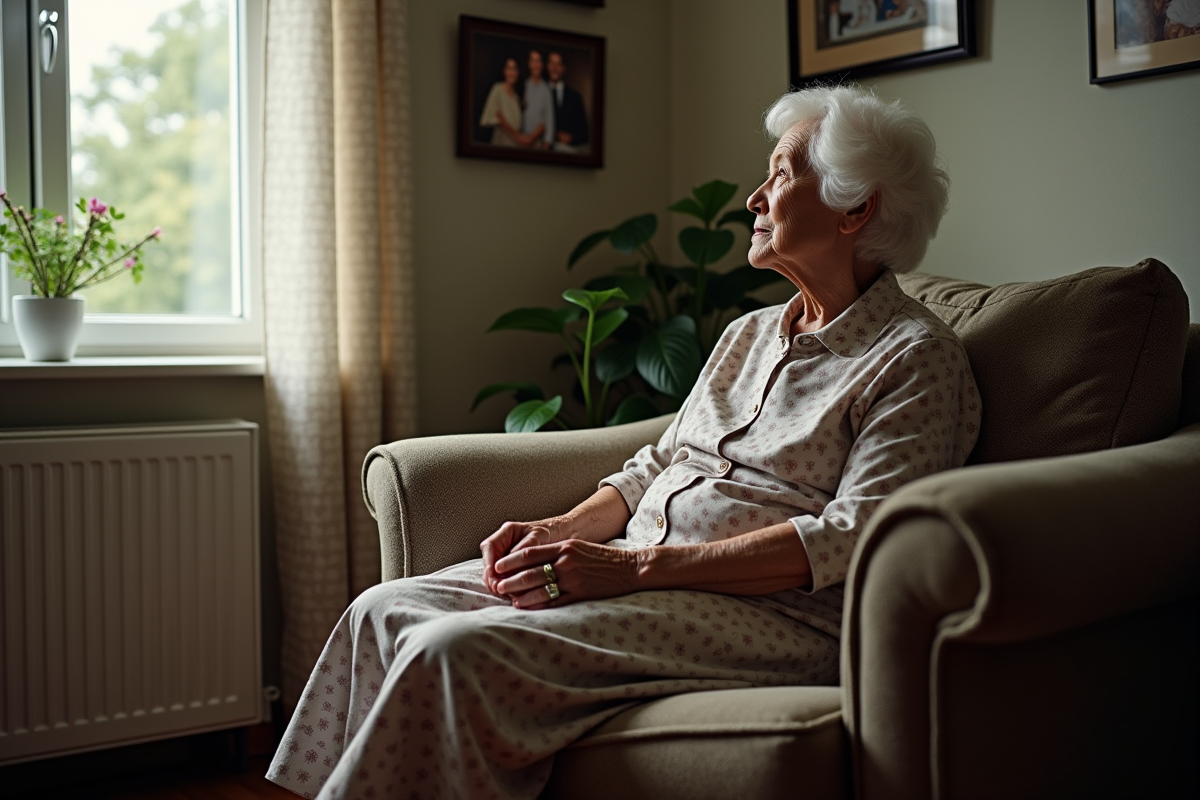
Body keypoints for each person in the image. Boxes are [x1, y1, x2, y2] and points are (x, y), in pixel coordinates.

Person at [266, 85, 981, 800]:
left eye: (782, 175)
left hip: (774, 617)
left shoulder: (914, 358)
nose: (753, 199)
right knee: (381, 609)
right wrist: (562, 529)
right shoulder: (750, 334)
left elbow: (856, 538)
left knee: (449, 649)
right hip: (637, 567)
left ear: (856, 208)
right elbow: (663, 460)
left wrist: (633, 570)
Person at [546, 51, 589, 153]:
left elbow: (584, 133)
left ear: (563, 68)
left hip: (567, 152)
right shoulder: (540, 92)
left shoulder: (575, 97)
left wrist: (571, 138)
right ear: (547, 66)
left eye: (558, 64)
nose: (555, 68)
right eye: (552, 64)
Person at [478, 57, 523, 147]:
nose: (512, 73)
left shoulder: (516, 96)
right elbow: (499, 117)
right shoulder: (497, 89)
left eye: (514, 69)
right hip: (502, 142)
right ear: (504, 71)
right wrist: (517, 137)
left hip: (515, 144)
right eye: (509, 69)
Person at [520, 49, 554, 149]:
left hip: (538, 143)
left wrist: (547, 142)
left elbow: (549, 118)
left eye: (538, 61)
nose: (536, 65)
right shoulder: (523, 86)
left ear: (542, 65)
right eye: (533, 61)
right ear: (529, 64)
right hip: (521, 140)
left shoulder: (546, 90)